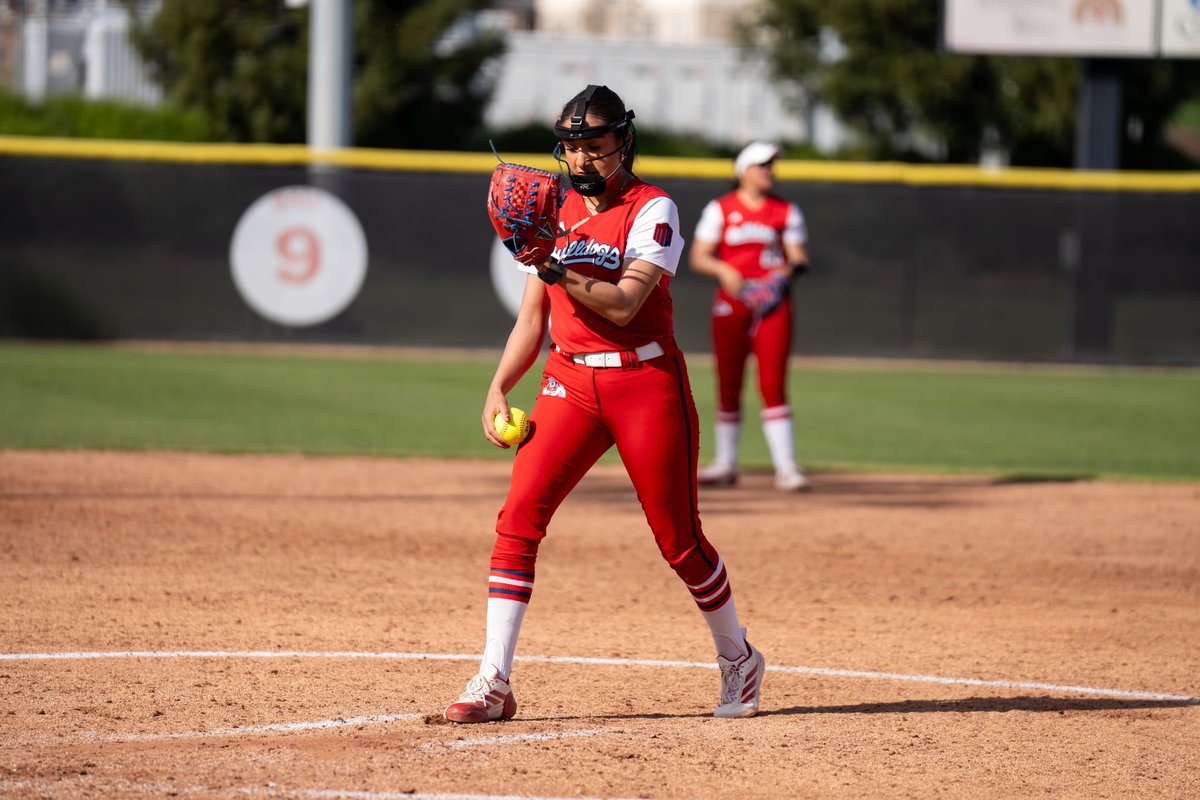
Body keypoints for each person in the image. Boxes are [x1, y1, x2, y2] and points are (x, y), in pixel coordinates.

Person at [444, 85, 765, 723]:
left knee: (678, 539)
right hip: (569, 383)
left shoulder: (654, 209)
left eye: (596, 144)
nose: (584, 158)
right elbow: (532, 319)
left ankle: (738, 657)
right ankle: (493, 680)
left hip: (645, 383)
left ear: (624, 140)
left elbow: (624, 304)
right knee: (518, 520)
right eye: (573, 147)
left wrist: (553, 264)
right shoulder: (551, 212)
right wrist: (497, 386)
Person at [690, 141, 812, 492]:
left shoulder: (785, 210)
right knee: (728, 382)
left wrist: (782, 276)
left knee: (772, 383)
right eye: (762, 165)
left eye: (771, 165)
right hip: (732, 302)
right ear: (743, 171)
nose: (769, 172)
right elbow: (699, 256)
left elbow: (799, 257)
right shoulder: (722, 209)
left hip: (772, 304)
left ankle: (786, 467)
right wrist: (724, 270)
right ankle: (726, 464)